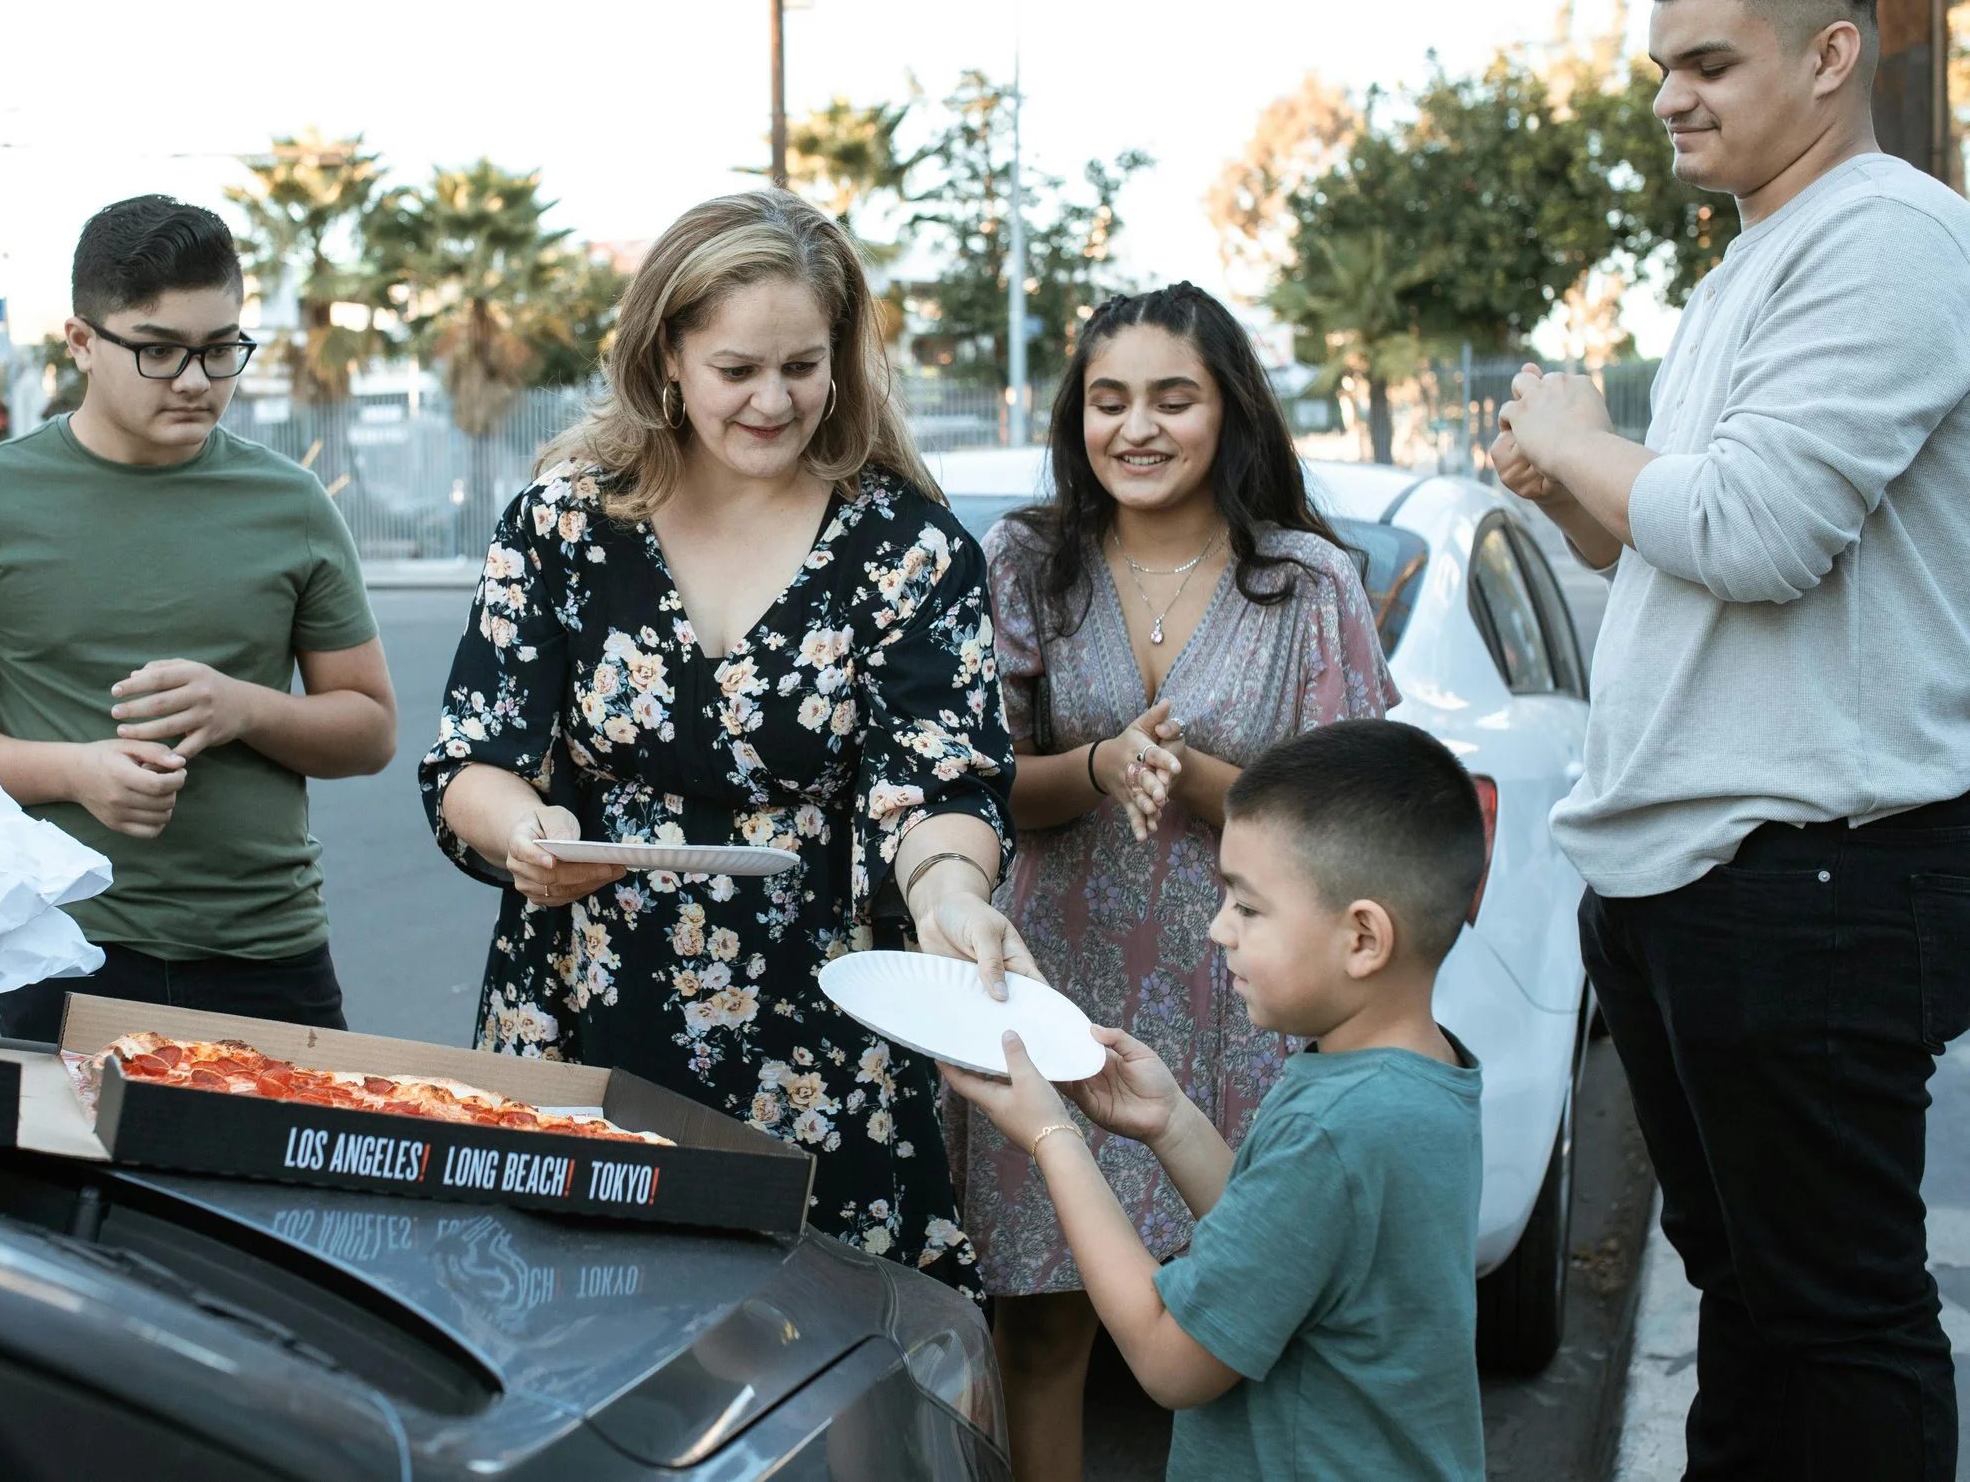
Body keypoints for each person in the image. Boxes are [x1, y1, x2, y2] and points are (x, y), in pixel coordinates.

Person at [1490, 0, 1970, 1481]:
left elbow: (1757, 533)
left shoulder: (1890, 239)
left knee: (1834, 1318)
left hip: (1811, 872)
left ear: (1832, 54)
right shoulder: (1756, 262)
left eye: (1709, 59)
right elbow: (1707, 565)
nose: (1670, 95)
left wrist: (1575, 436)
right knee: (1751, 1303)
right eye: (1661, 64)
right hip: (1703, 874)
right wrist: (1581, 499)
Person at [419, 189, 1033, 1292]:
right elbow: (474, 758)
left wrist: (948, 893)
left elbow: (941, 780)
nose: (774, 399)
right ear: (667, 357)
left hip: (822, 1034)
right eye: (738, 369)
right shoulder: (559, 527)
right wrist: (529, 831)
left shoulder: (908, 546)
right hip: (578, 1011)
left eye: (802, 365)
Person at [953, 283, 1397, 1479]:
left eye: (1171, 398)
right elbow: (976, 780)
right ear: (1076, 416)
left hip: (1243, 1003)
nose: (1135, 427)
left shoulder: (1308, 583)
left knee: (1244, 1325)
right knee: (1042, 1319)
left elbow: (1353, 820)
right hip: (1056, 985)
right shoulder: (1023, 561)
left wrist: (1192, 775)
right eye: (1108, 400)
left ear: (1229, 410)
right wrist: (1099, 764)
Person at [0, 195, 398, 1041]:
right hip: (66, 943)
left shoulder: (292, 503)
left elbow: (371, 729)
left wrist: (246, 708)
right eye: (158, 350)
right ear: (82, 342)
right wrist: (76, 771)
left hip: (268, 946)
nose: (196, 381)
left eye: (220, 348)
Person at [946, 719, 1488, 1482]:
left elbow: (1171, 1356)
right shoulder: (1419, 1077)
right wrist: (1171, 1122)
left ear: (1363, 938)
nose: (1218, 928)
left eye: (1248, 907)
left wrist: (1050, 1134)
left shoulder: (1333, 1128)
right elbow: (1285, 1244)